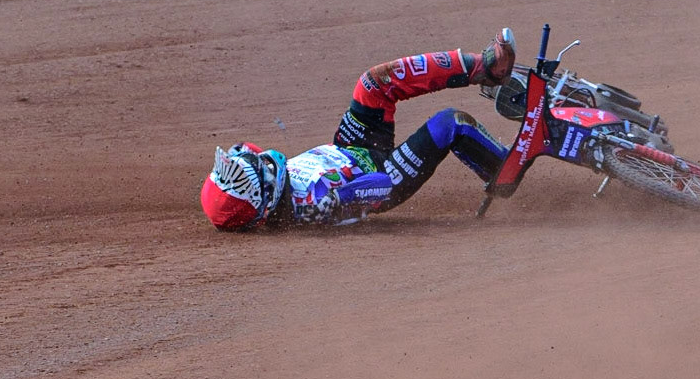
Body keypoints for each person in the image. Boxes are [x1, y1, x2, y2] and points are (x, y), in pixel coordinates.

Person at [200, 28, 517, 230]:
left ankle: (481, 68)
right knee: (451, 123)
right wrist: (345, 195)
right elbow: (379, 185)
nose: (257, 156)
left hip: (350, 148)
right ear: (262, 193)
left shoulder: (273, 195)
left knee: (371, 83)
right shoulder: (312, 204)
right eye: (256, 166)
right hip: (385, 174)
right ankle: (507, 170)